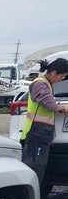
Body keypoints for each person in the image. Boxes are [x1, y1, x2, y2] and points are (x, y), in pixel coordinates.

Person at [20, 57, 68, 190]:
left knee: (38, 169)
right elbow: (47, 102)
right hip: (36, 134)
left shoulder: (47, 83)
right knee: (33, 169)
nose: (61, 80)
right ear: (53, 73)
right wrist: (62, 108)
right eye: (62, 76)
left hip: (41, 134)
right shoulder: (41, 84)